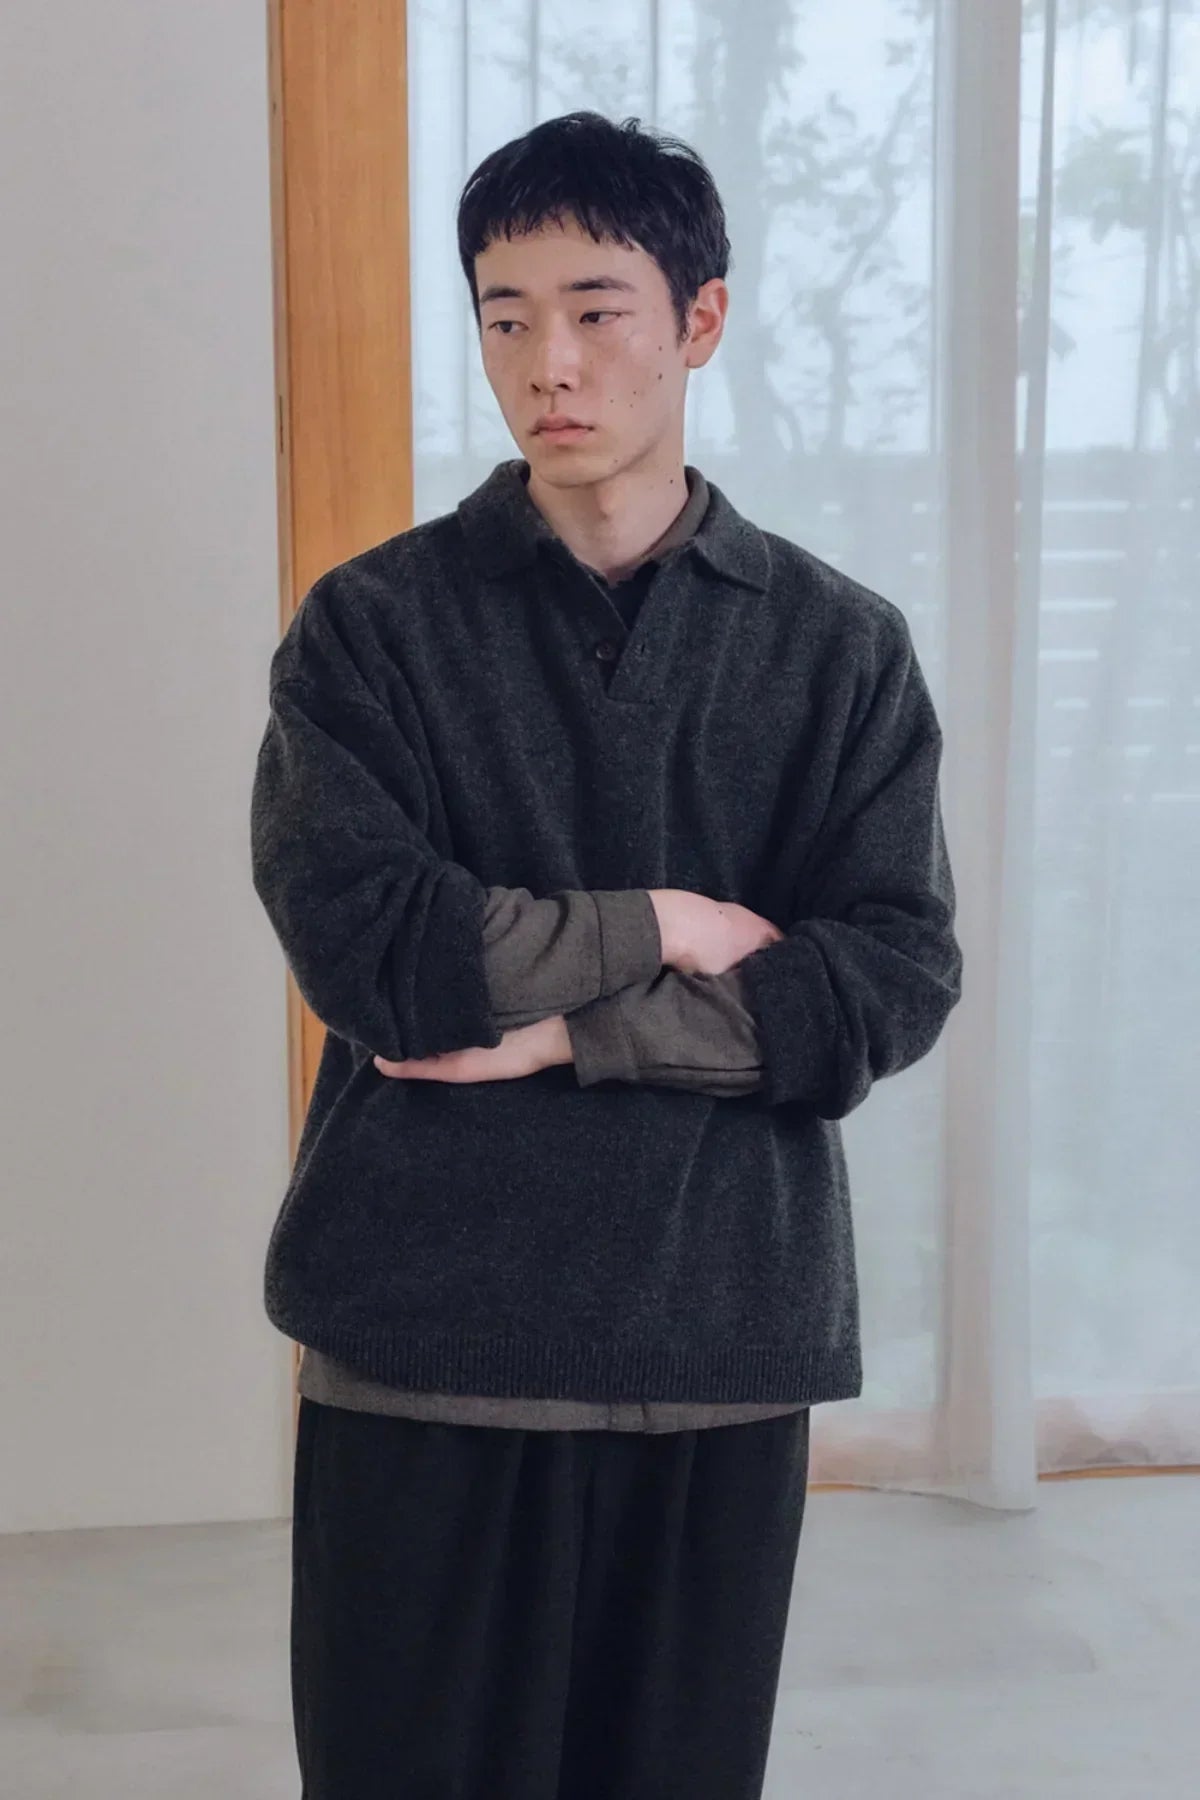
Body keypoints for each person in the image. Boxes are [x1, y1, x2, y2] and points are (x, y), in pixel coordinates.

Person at [250, 109, 962, 1800]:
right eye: (506, 316)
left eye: (595, 309)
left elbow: (884, 980)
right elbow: (382, 958)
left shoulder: (840, 647)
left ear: (699, 320)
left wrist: (574, 1031)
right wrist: (669, 925)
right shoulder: (369, 628)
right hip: (423, 1338)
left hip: (717, 1332)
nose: (547, 362)